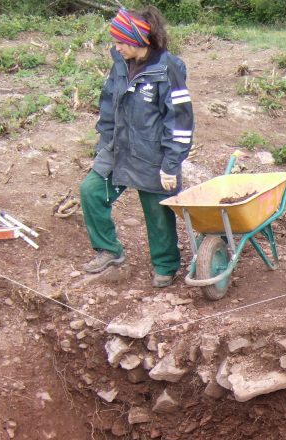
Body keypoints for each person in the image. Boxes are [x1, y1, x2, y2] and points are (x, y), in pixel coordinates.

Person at [80, 6, 195, 288]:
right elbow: (108, 106)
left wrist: (171, 163)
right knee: (91, 191)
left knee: (157, 211)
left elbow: (180, 120)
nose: (116, 47)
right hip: (118, 148)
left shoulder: (168, 69)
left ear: (139, 40)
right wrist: (104, 144)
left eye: (120, 42)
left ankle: (166, 265)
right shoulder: (120, 65)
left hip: (153, 153)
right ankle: (109, 251)